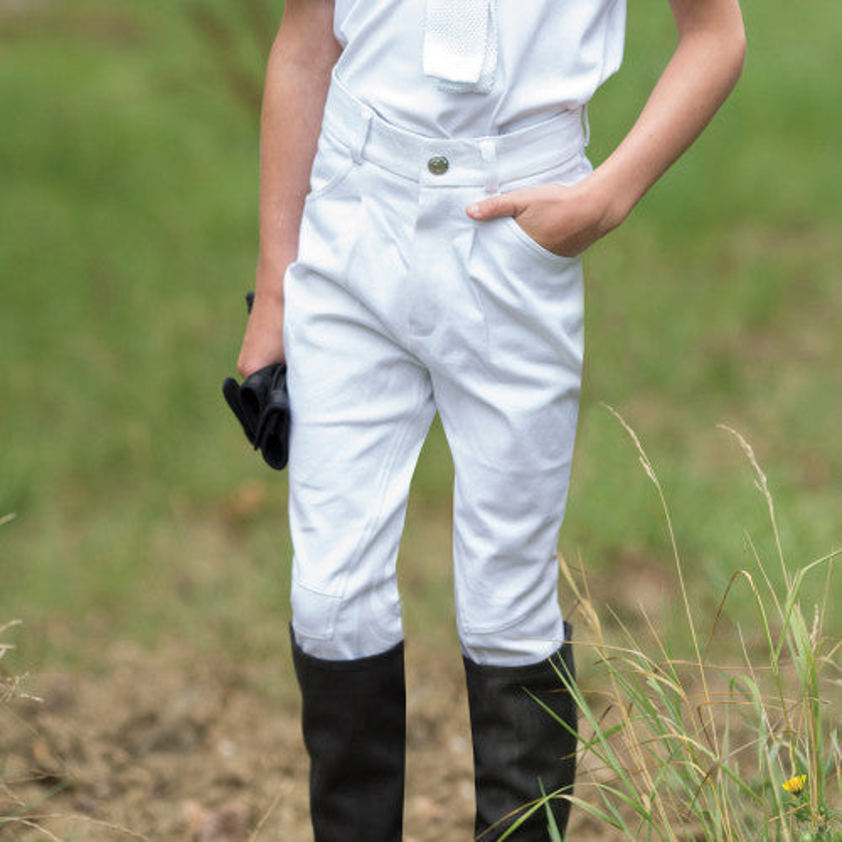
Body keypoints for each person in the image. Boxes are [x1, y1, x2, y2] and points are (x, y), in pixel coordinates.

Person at [234, 0, 746, 839]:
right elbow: (302, 47)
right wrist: (277, 284)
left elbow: (716, 33)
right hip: (354, 225)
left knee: (508, 595)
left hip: (519, 232)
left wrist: (605, 197)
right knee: (330, 595)